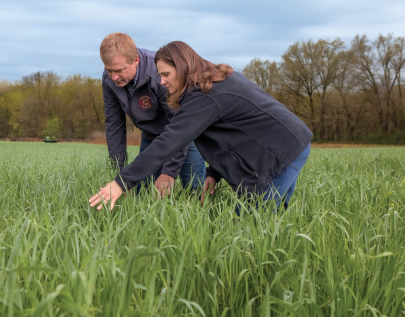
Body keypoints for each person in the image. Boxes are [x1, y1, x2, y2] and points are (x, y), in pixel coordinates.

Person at [90, 40, 312, 212]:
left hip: (281, 152)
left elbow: (169, 142)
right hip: (286, 145)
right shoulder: (208, 85)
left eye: (166, 74)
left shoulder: (205, 96)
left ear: (184, 68)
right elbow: (230, 133)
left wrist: (121, 182)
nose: (162, 81)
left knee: (249, 221)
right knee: (271, 223)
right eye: (159, 75)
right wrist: (213, 173)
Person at [99, 32, 206, 196]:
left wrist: (168, 173)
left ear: (136, 60)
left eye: (119, 70)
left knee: (194, 187)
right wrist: (119, 174)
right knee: (144, 191)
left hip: (185, 134)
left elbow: (181, 124)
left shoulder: (160, 74)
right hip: (151, 135)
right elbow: (114, 125)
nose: (113, 77)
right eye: (109, 70)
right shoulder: (109, 79)